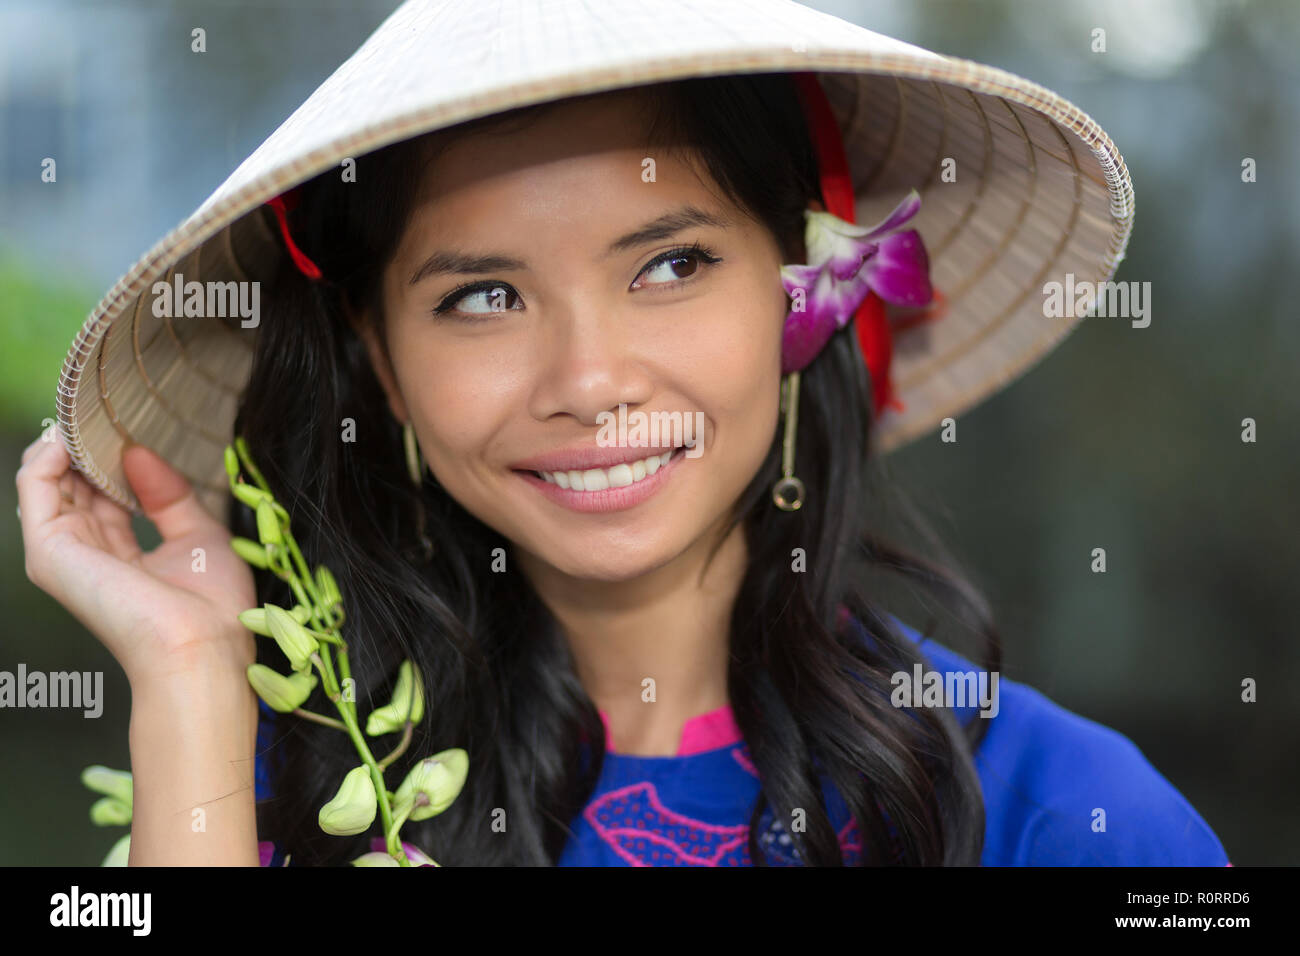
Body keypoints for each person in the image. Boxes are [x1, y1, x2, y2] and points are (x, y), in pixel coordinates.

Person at [17, 0, 1228, 866]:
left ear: (801, 290)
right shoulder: (284, 791)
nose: (590, 380)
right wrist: (185, 684)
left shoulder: (1060, 813)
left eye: (670, 263)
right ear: (380, 361)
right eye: (481, 296)